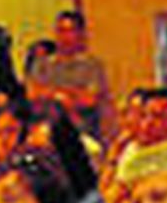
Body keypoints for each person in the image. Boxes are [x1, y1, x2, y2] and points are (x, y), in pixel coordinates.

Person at [25, 10, 112, 141]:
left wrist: (51, 93)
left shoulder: (92, 66)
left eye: (70, 31)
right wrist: (62, 96)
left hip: (80, 131)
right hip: (44, 131)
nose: (65, 37)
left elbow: (89, 100)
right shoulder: (42, 64)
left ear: (80, 35)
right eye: (61, 31)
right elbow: (32, 94)